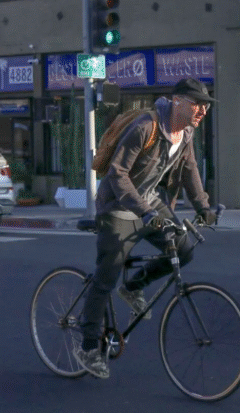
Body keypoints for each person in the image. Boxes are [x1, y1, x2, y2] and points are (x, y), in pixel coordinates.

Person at [73, 78, 218, 378]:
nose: (202, 110)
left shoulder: (186, 133)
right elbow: (118, 173)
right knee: (105, 279)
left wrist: (204, 207)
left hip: (149, 203)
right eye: (196, 103)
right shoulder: (145, 126)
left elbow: (190, 171)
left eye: (205, 105)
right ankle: (88, 347)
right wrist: (145, 212)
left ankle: (134, 286)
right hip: (118, 208)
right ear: (177, 101)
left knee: (183, 249)